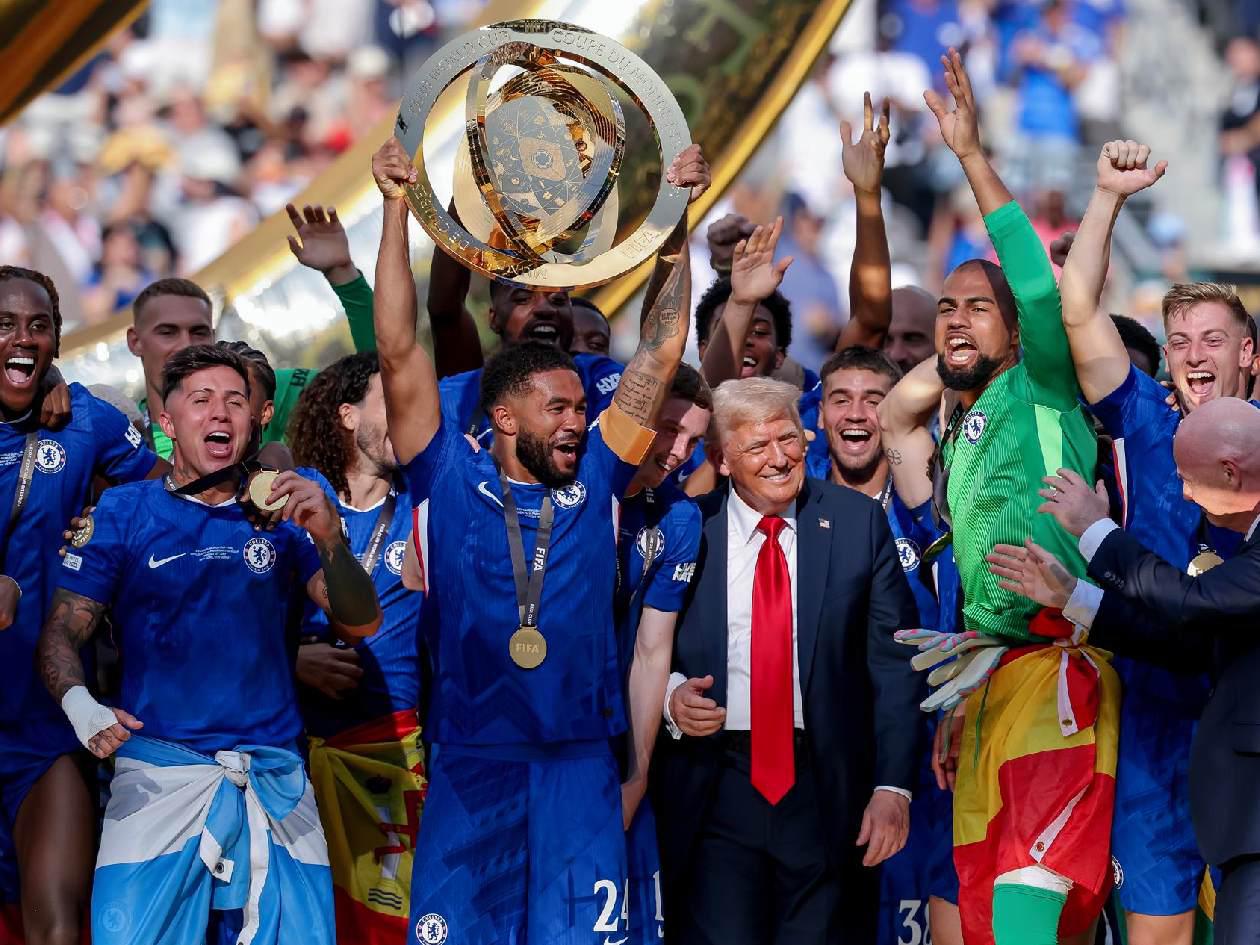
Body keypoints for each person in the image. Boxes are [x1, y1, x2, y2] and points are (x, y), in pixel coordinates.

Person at [368, 135, 707, 944]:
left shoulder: (600, 473)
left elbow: (662, 347)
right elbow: (398, 347)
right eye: (557, 409)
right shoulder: (444, 471)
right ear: (503, 417)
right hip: (472, 760)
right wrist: (394, 209)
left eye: (580, 409)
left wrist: (676, 222)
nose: (576, 422)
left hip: (579, 764)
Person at [878, 51, 1116, 945]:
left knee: (1028, 899)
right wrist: (964, 696)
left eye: (977, 308)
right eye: (944, 308)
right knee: (988, 916)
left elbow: (1034, 282)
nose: (954, 319)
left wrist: (971, 156)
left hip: (1057, 669)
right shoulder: (962, 430)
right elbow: (899, 408)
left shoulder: (1044, 386)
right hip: (989, 682)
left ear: (1019, 333)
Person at [36, 343, 383, 945]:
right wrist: (80, 704)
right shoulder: (122, 511)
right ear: (167, 423)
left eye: (235, 401)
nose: (220, 412)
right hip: (157, 780)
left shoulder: (286, 509)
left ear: (254, 419)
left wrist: (330, 538)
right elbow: (61, 631)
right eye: (201, 400)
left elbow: (360, 624)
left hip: (275, 781)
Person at [1054, 138, 1253, 945]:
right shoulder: (1143, 419)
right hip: (1157, 718)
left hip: (1247, 713)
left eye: (1214, 339)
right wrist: (1107, 196)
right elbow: (1077, 311)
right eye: (1180, 341)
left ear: (1250, 352)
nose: (1195, 355)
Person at [652, 376, 921, 944]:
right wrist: (671, 697)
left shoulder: (855, 522)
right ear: (721, 460)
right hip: (714, 785)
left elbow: (893, 666)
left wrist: (892, 787)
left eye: (788, 439)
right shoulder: (688, 526)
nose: (779, 459)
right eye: (757, 446)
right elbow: (644, 643)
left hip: (826, 791)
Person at [986, 397, 1260, 944]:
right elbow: (1190, 647)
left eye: (1188, 480)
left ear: (1231, 472)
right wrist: (1075, 598)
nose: (1184, 495)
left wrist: (1096, 530)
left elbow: (1190, 602)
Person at [0, 266, 162, 945]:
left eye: (38, 325)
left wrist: (107, 519)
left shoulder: (85, 418)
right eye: (5, 324)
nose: (23, 337)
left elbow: (173, 500)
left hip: (45, 726)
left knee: (61, 929)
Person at [287, 351, 427, 945]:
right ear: (347, 415)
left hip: (392, 749)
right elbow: (237, 610)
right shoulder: (297, 497)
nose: (408, 413)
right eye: (389, 401)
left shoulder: (425, 502)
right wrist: (292, 659)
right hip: (294, 751)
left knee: (387, 927)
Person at [127, 204, 377, 458]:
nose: (186, 345)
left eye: (198, 332)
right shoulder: (127, 434)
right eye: (167, 332)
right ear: (135, 341)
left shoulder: (271, 389)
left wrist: (344, 277)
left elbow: (376, 379)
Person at [613, 363, 709, 944]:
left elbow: (651, 653)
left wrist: (638, 775)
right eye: (670, 429)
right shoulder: (565, 487)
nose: (678, 452)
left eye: (694, 440)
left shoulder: (678, 517)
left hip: (613, 741)